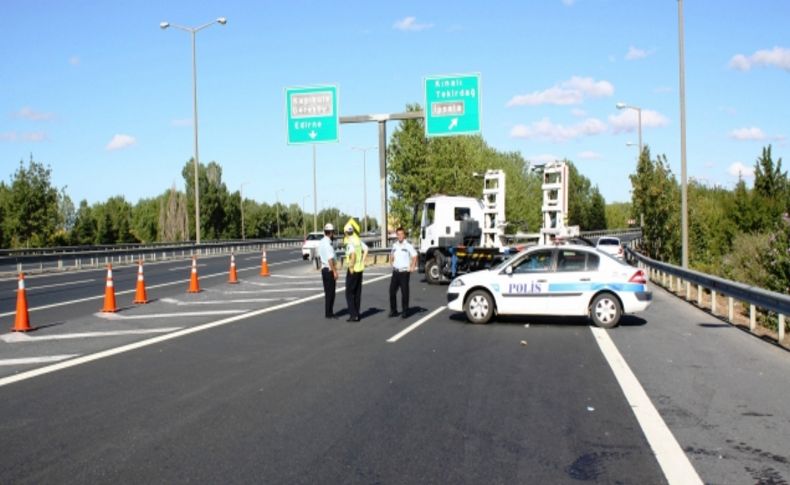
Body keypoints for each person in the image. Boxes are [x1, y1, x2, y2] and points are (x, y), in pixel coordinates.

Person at [389, 227, 417, 318]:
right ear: (396, 235)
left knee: (404, 292)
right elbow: (392, 254)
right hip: (396, 272)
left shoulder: (408, 245)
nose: (400, 236)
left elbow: (415, 255)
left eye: (401, 234)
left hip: (404, 272)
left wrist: (412, 266)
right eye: (398, 234)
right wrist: (391, 262)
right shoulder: (394, 245)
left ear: (404, 235)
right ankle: (394, 310)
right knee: (392, 291)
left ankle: (405, 311)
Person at [343, 218, 368, 322]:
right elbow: (366, 249)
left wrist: (351, 267)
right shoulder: (357, 239)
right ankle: (357, 313)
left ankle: (353, 315)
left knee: (349, 292)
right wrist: (362, 260)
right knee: (357, 292)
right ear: (352, 231)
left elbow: (352, 255)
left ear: (346, 233)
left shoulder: (349, 242)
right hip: (360, 269)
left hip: (353, 270)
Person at [318, 223, 338, 319]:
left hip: (323, 269)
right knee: (331, 292)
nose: (333, 234)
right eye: (333, 232)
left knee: (327, 292)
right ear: (330, 233)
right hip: (329, 270)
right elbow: (330, 259)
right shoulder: (328, 243)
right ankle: (329, 313)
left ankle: (328, 312)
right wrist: (334, 271)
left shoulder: (321, 241)